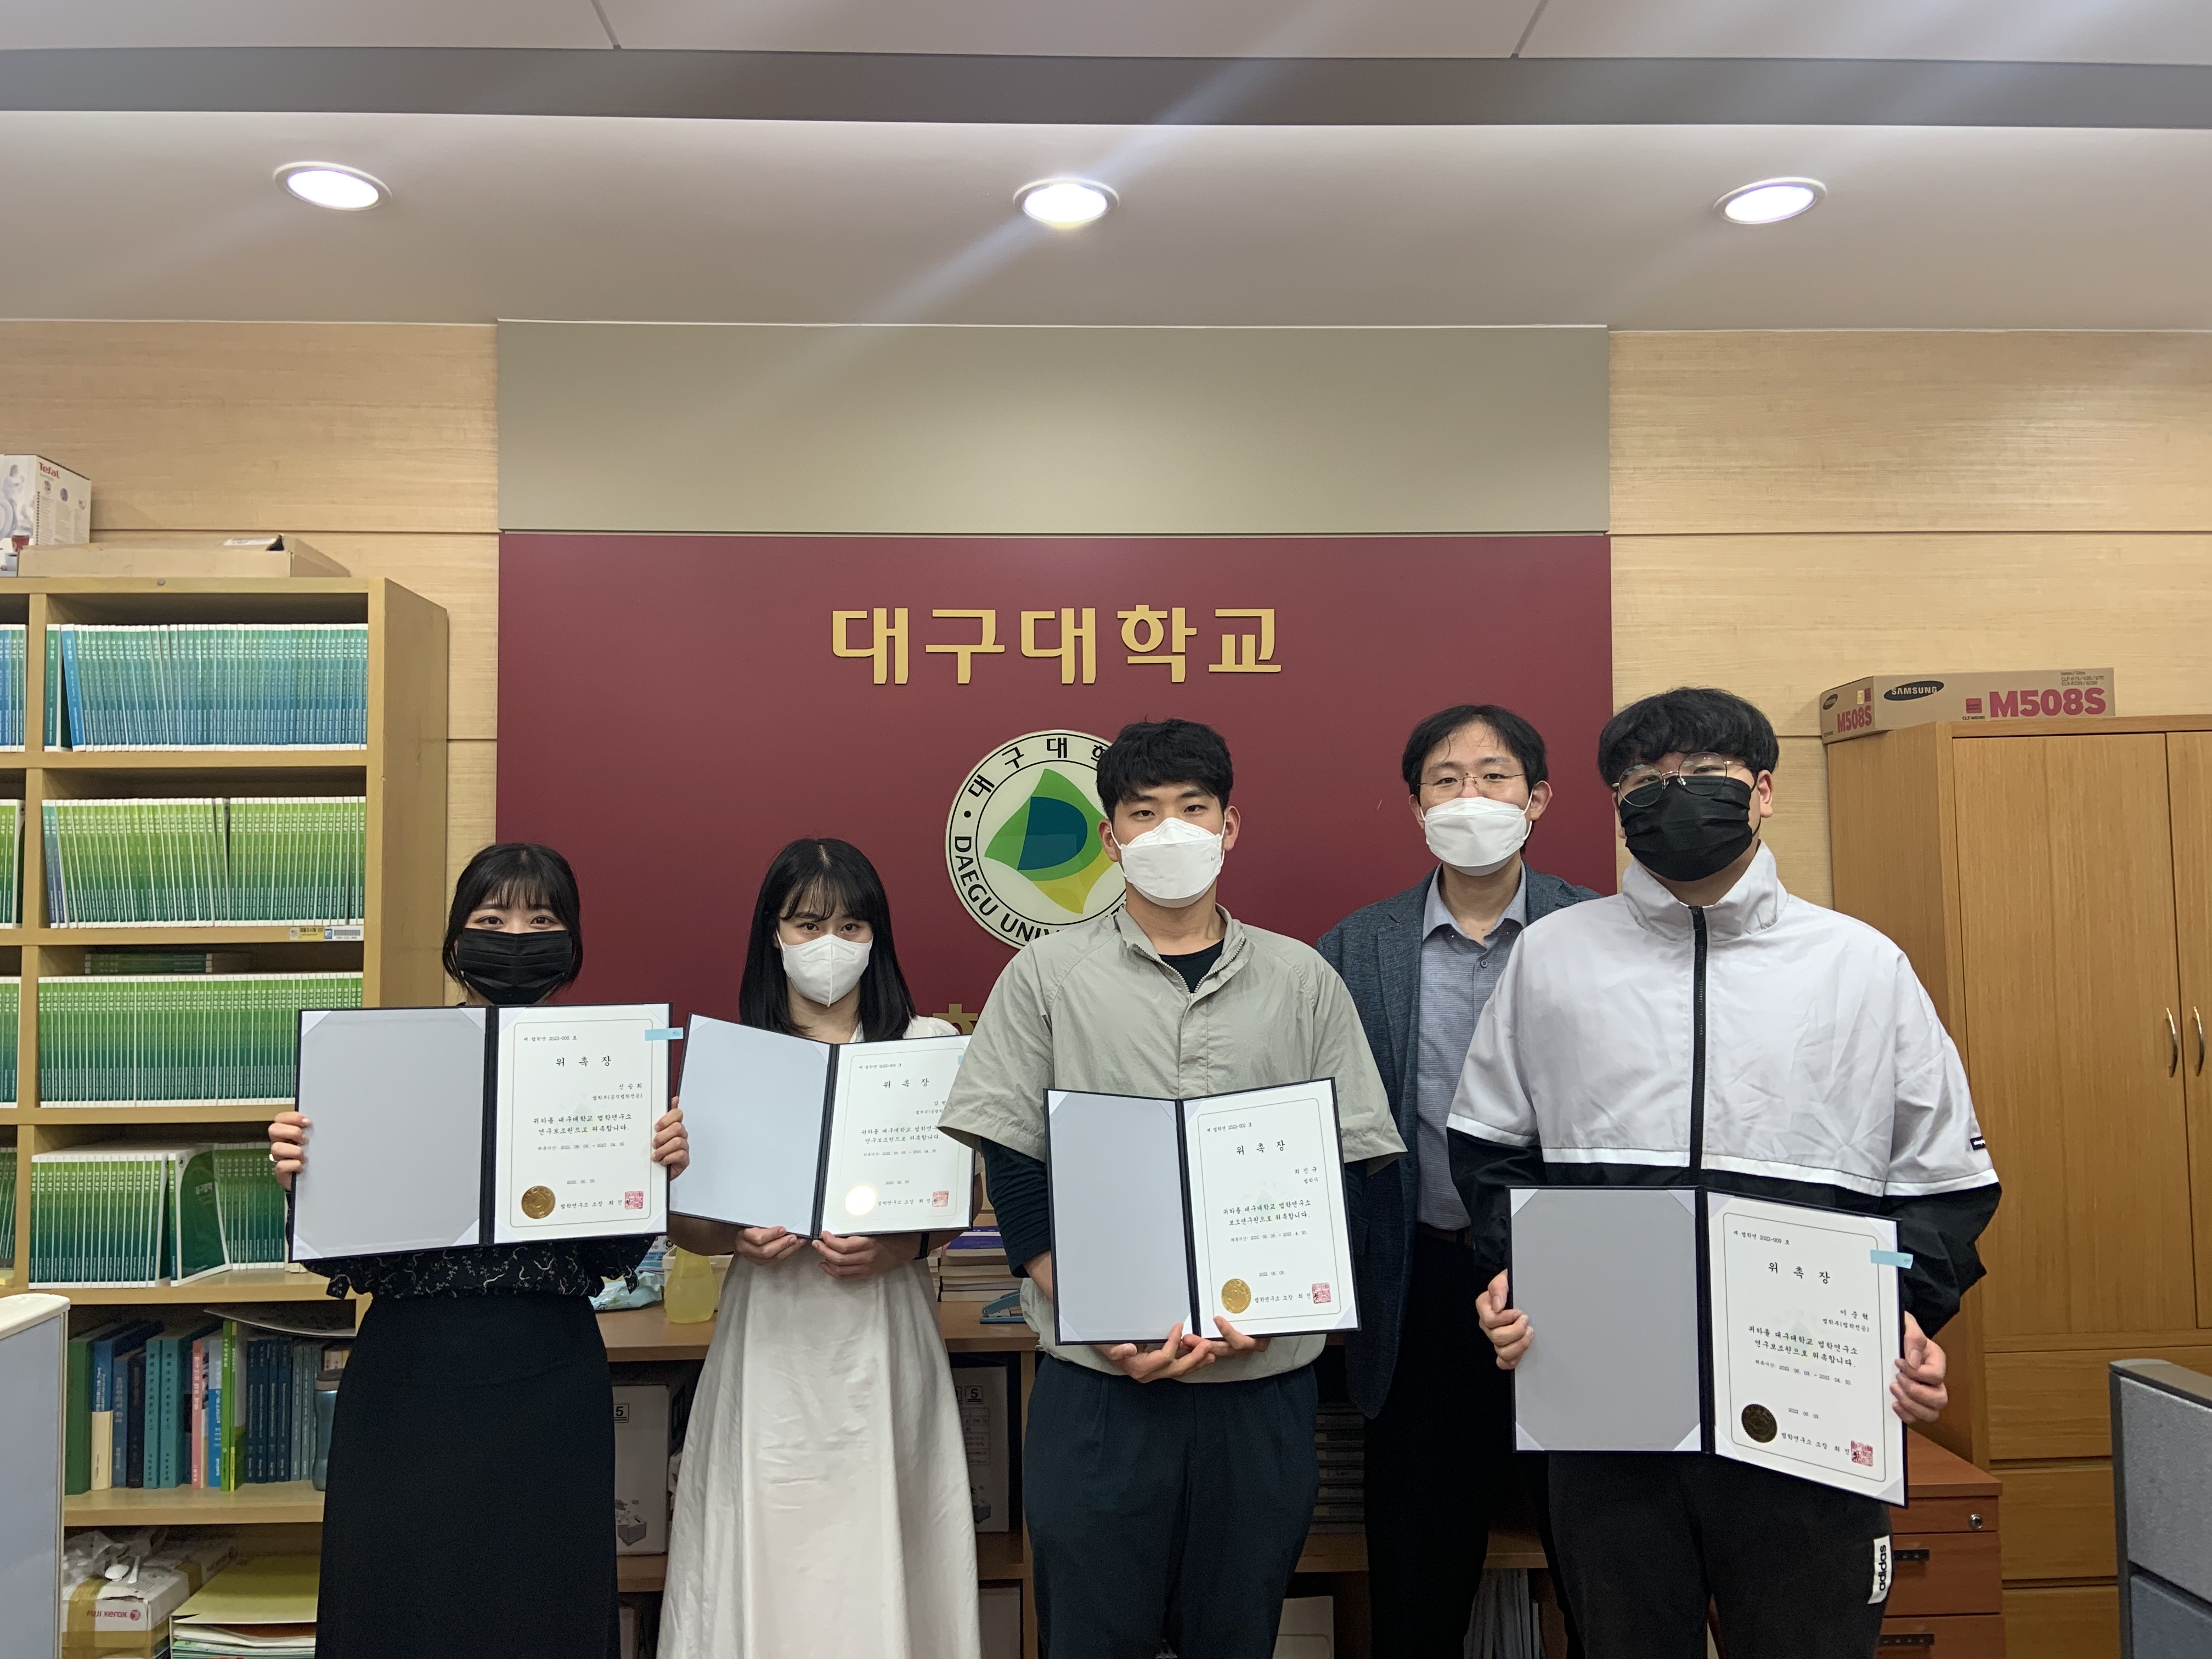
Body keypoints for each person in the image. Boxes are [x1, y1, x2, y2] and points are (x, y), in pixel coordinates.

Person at [1447, 687, 2002, 1659]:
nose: (1674, 796)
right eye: (1643, 782)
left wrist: (1900, 1315)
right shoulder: (1552, 959)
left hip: (1812, 1400)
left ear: (1764, 791)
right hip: (1607, 1403)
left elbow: (1945, 1182)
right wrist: (1515, 1274)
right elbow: (1489, 1149)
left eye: (1704, 775)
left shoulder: (1860, 966)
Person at [938, 718, 1404, 1659]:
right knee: (1089, 1636)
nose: (1171, 832)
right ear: (1109, 838)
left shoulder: (1302, 978)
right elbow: (1013, 1159)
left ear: (1230, 826)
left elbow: (1348, 1161)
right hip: (1100, 1386)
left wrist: (1287, 1303)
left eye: (1194, 810)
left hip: (1260, 1381)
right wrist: (1096, 1309)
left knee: (1238, 1633)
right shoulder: (1045, 977)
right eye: (1144, 814)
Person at [267, 842, 691, 1659]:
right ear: (456, 938)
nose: (516, 938)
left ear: (572, 943)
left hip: (548, 1378)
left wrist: (654, 1169)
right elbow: (344, 1261)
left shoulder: (606, 1068)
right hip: (409, 1380)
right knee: (400, 1612)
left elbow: (608, 1256)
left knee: (543, 1613)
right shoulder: (384, 1061)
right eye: (491, 920)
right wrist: (305, 1181)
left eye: (541, 920)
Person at [1317, 703, 1597, 1659]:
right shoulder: (1357, 948)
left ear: (1538, 798)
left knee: (1604, 1571)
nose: (1469, 796)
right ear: (1417, 807)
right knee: (1418, 1582)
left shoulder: (1598, 931)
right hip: (1421, 1284)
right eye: (1446, 779)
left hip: (1578, 1282)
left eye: (1493, 776)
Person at [660, 837, 979, 1659]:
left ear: (877, 936)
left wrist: (900, 1248)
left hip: (882, 1333)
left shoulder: (923, 1046)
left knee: (883, 1547)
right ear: (774, 934)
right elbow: (689, 1225)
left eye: (850, 925)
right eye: (807, 925)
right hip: (770, 1339)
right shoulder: (737, 1058)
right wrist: (734, 1236)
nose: (829, 944)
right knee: (767, 1541)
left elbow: (957, 1203)